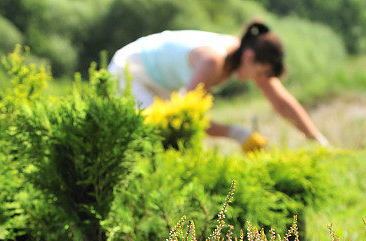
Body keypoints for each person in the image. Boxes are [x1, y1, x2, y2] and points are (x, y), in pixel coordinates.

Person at [107, 21, 329, 150]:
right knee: (159, 138)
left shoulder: (241, 53)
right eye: (260, 73)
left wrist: (318, 141)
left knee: (172, 142)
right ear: (249, 57)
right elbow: (187, 117)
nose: (259, 80)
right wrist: (238, 134)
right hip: (128, 71)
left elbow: (282, 102)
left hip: (160, 82)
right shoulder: (213, 61)